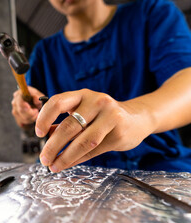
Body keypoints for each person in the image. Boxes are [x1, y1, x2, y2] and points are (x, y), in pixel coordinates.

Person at [11, 0, 191, 173]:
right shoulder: (44, 53)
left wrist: (136, 115)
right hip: (70, 179)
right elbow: (32, 122)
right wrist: (26, 112)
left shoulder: (152, 14)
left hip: (158, 168)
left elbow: (186, 82)